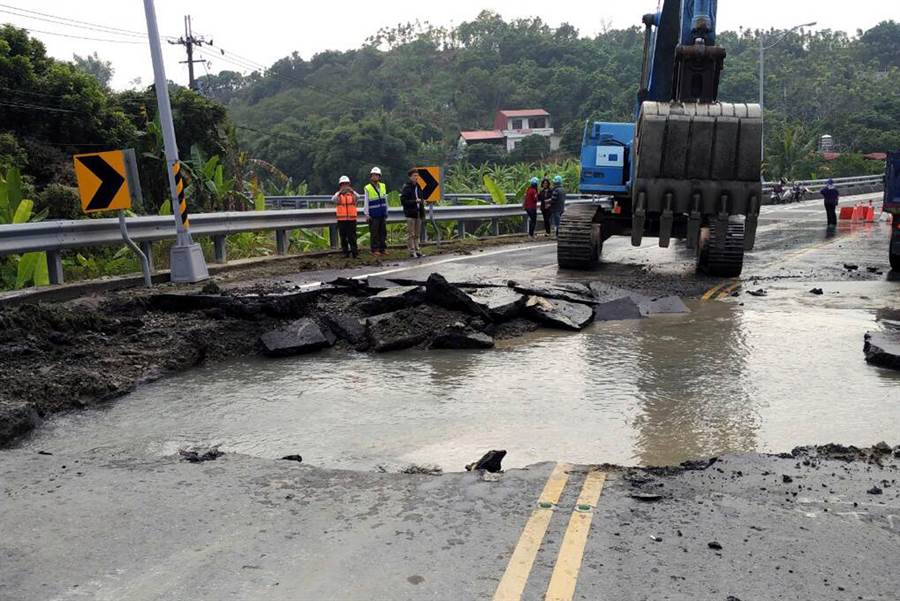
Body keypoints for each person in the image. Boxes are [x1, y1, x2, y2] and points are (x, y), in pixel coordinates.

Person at [330, 175, 360, 258]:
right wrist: (340, 192)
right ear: (340, 185)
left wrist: (352, 191)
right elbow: (333, 199)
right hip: (342, 219)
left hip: (351, 219)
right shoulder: (338, 195)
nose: (345, 186)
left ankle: (355, 253)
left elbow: (358, 197)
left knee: (352, 237)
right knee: (343, 237)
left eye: (346, 184)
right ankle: (345, 253)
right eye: (343, 184)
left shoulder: (353, 194)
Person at [400, 168, 426, 258]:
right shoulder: (406, 187)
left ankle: (417, 249)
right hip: (410, 213)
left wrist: (422, 203)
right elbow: (403, 201)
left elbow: (421, 198)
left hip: (418, 212)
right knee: (411, 233)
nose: (416, 177)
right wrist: (415, 201)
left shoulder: (419, 187)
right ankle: (412, 251)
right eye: (414, 176)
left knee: (417, 233)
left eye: (417, 175)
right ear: (410, 177)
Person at [364, 166, 389, 256]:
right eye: (373, 175)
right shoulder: (368, 188)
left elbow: (385, 199)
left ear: (379, 177)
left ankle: (383, 248)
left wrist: (386, 210)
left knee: (383, 232)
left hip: (382, 212)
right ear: (371, 177)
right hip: (373, 214)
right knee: (374, 233)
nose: (375, 177)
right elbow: (366, 201)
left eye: (377, 175)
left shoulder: (383, 186)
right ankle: (374, 249)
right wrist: (366, 214)